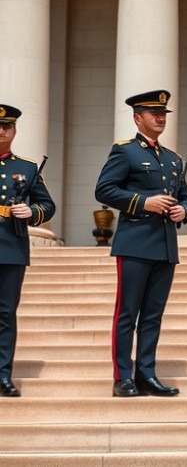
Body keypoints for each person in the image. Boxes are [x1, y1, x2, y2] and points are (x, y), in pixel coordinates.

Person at [95, 89, 187, 398]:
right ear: (138, 118)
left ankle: (146, 374)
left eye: (163, 113)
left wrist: (184, 210)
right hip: (135, 243)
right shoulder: (124, 151)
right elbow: (104, 190)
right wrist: (142, 202)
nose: (160, 117)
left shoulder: (173, 159)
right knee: (127, 313)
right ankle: (123, 376)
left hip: (165, 245)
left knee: (153, 315)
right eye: (154, 113)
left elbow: (186, 197)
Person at [0, 104, 55, 397]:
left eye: (6, 126)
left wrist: (31, 212)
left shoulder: (27, 168)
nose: (1, 131)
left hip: (10, 247)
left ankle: (3, 375)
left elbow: (48, 206)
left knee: (5, 314)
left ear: (14, 130)